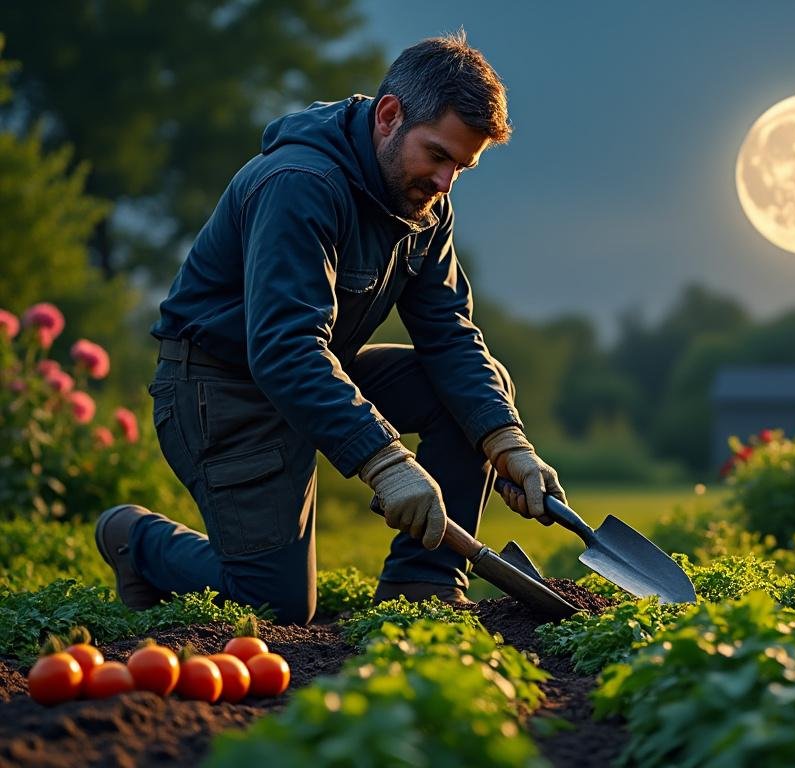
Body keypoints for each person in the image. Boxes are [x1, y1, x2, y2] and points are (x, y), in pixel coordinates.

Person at [93, 33, 565, 625]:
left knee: (476, 389)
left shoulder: (424, 205)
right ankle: (134, 539)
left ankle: (423, 587)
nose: (446, 182)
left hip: (313, 372)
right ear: (389, 116)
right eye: (438, 155)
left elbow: (449, 331)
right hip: (220, 390)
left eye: (461, 168)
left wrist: (507, 440)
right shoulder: (299, 184)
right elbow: (284, 347)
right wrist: (384, 460)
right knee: (276, 604)